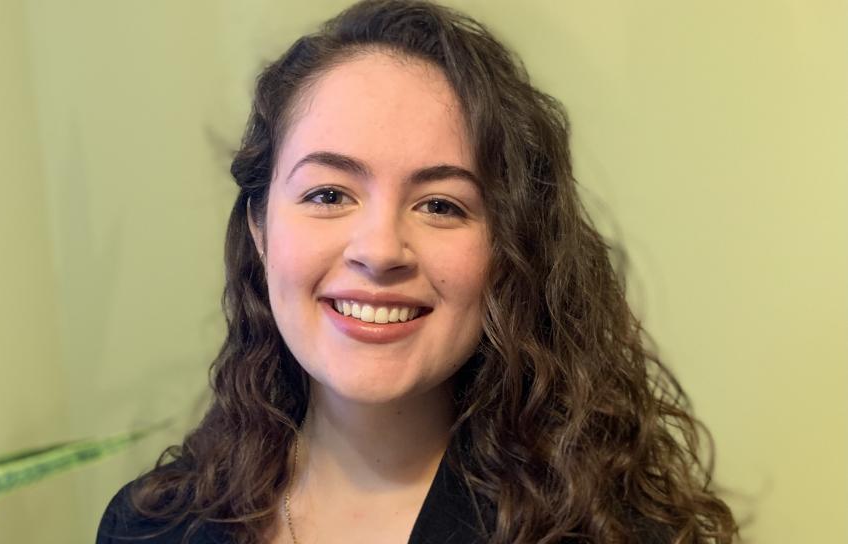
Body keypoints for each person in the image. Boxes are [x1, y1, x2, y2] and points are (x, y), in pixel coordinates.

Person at [97, 1, 738, 542]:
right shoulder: (149, 526)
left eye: (440, 205)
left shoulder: (611, 531)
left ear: (511, 249)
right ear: (261, 230)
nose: (379, 251)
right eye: (328, 194)